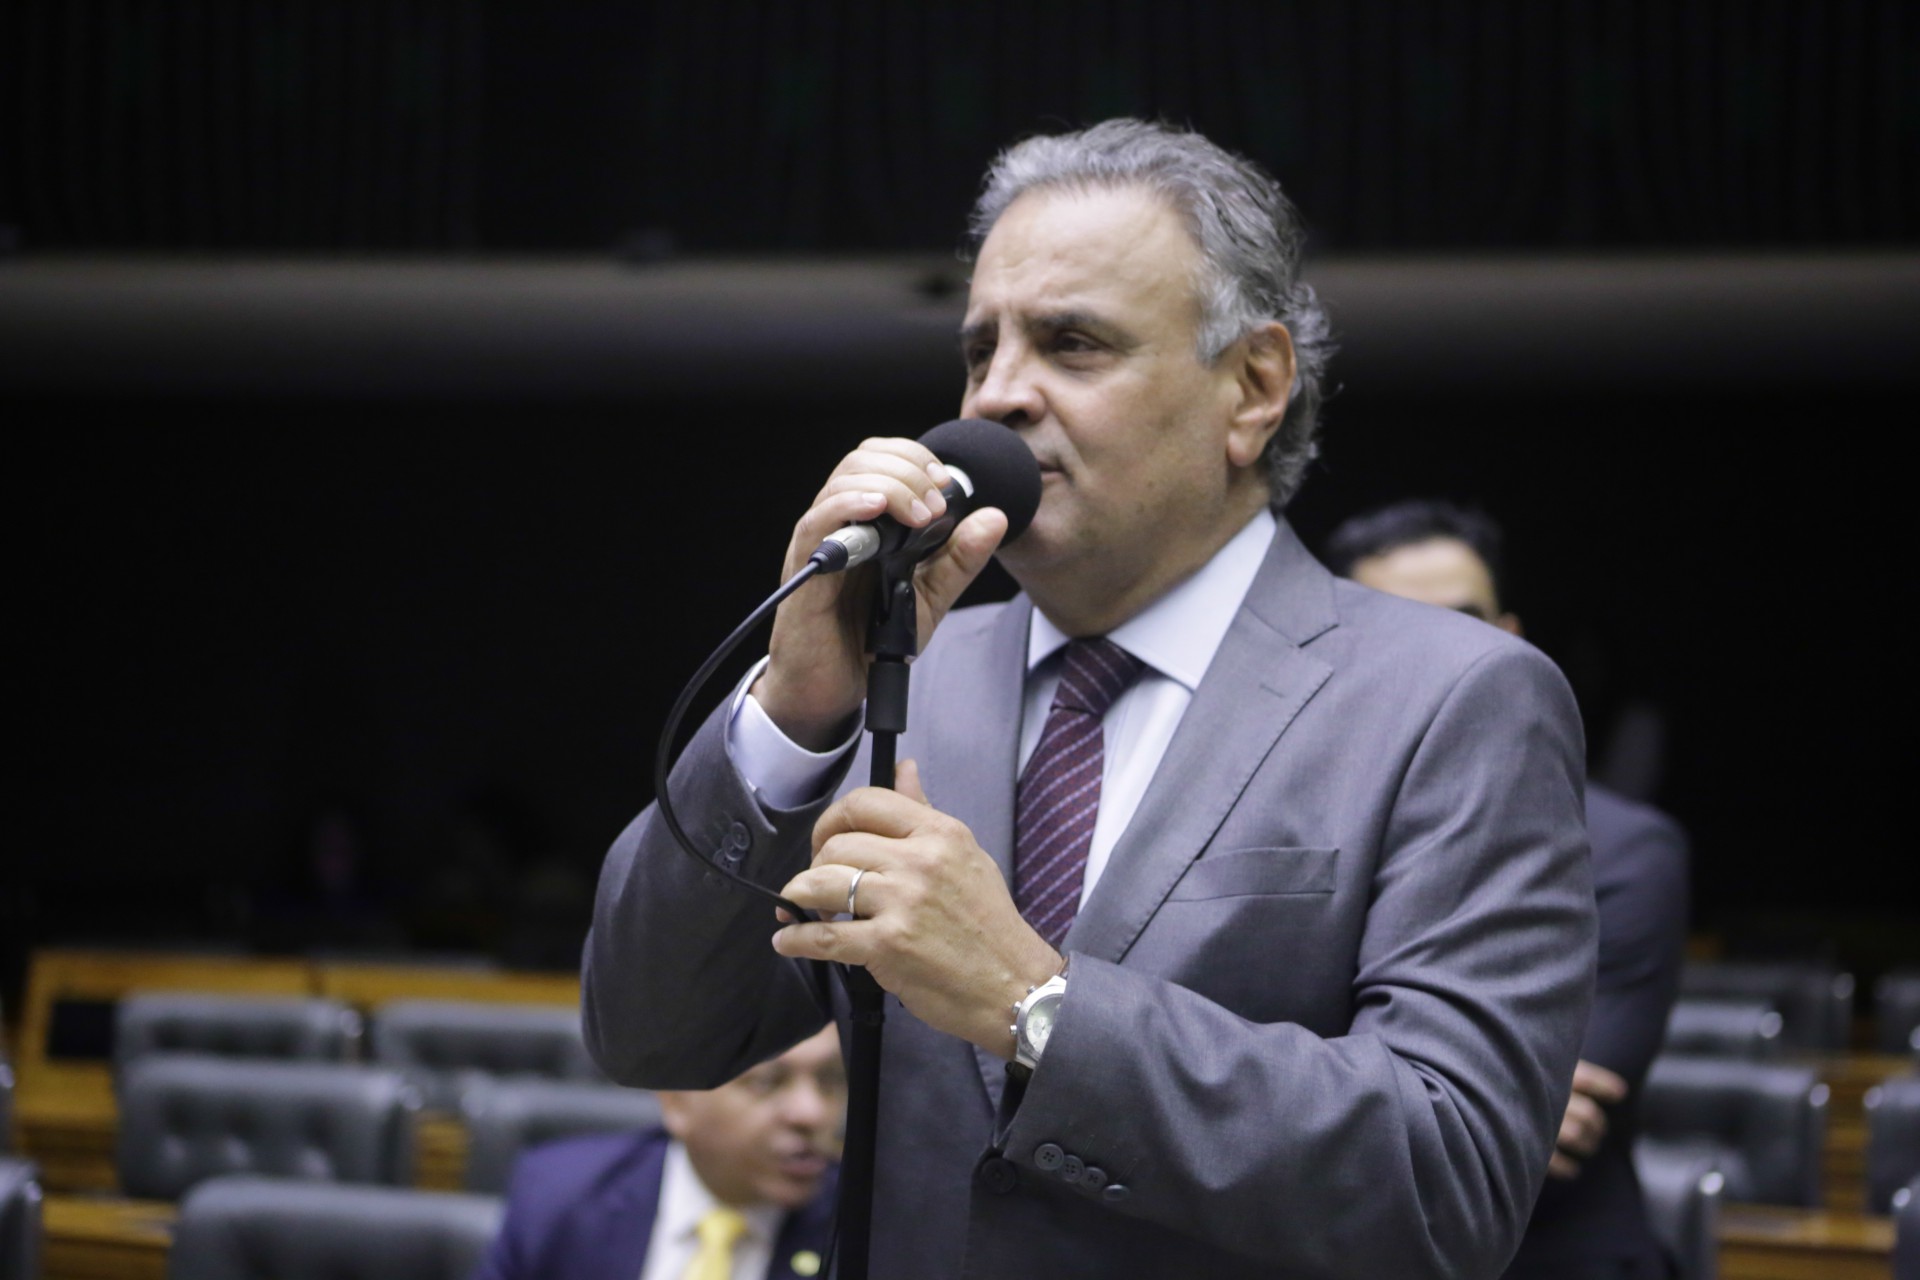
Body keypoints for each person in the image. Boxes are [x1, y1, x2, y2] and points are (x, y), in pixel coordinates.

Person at [585, 118, 1597, 1277]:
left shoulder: (1453, 699)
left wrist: (1034, 999)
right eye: (980, 349)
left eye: (1072, 344)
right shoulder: (904, 679)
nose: (998, 394)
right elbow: (650, 1026)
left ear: (1254, 387)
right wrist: (797, 711)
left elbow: (1448, 1178)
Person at [1326, 498, 1690, 1280]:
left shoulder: (1628, 850)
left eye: (1464, 622)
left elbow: (1509, 1125)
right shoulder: (1310, 826)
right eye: (1400, 626)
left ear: (1513, 637)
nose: (1440, 655)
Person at [470, 1025, 841, 1280]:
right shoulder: (558, 1196)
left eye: (830, 1079)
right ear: (676, 1100)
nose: (812, 1113)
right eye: (766, 1082)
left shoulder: (870, 1227)